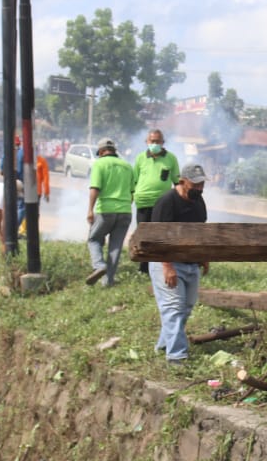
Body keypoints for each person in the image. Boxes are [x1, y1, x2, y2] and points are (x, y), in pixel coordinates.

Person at [149, 163, 211, 363]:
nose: (199, 189)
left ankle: (164, 344)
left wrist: (203, 257)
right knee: (174, 307)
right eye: (195, 185)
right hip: (166, 262)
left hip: (190, 263)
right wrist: (167, 267)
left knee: (186, 306)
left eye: (201, 184)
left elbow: (200, 232)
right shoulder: (166, 202)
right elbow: (157, 238)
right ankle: (177, 357)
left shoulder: (199, 202)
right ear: (182, 181)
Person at [85, 138, 136, 286]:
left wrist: (90, 210)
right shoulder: (127, 166)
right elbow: (132, 192)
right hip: (125, 211)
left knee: (93, 239)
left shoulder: (99, 164)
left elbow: (95, 188)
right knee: (115, 247)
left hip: (105, 210)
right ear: (114, 151)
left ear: (101, 152)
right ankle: (108, 281)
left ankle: (99, 265)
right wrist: (124, 206)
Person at [132, 129, 180, 274]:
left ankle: (161, 266)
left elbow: (177, 181)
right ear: (147, 142)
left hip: (162, 204)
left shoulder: (171, 158)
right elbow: (134, 180)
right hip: (143, 201)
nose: (155, 144)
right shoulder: (140, 158)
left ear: (163, 142)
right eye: (152, 141)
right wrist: (131, 196)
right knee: (144, 235)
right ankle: (143, 268)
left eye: (158, 141)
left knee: (160, 236)